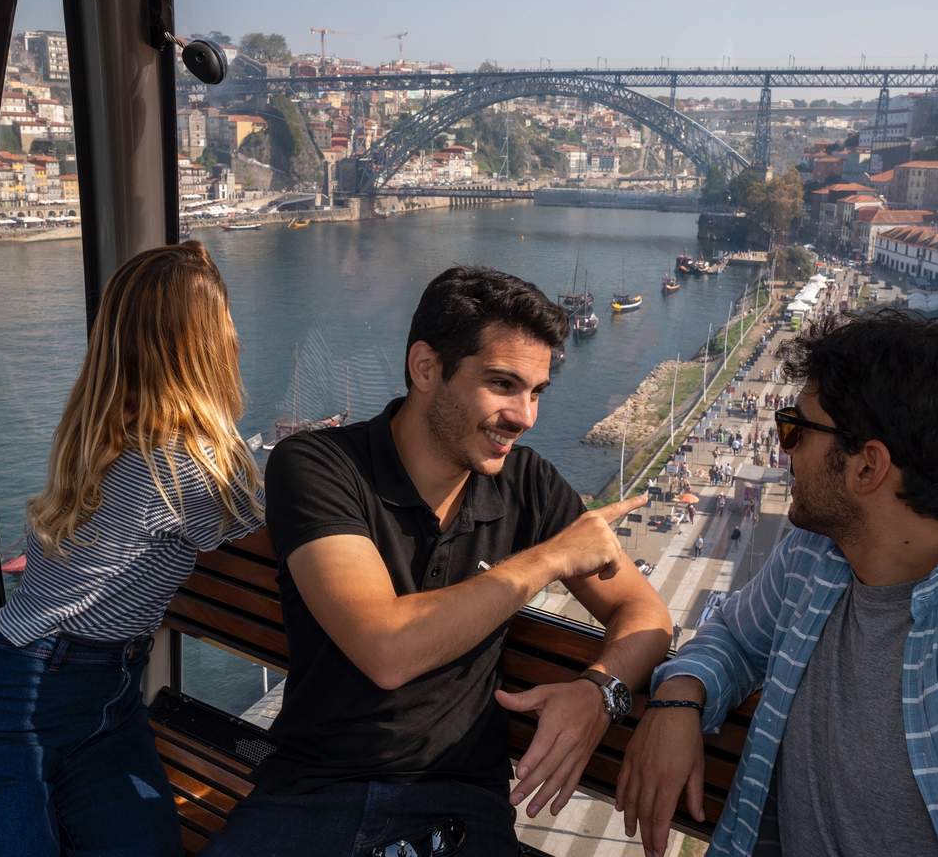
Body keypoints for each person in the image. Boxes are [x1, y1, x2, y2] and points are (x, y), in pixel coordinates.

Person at [617, 310, 938, 857]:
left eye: (796, 427)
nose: (784, 448)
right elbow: (737, 637)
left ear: (868, 468)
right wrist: (678, 699)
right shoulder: (816, 557)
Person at [203, 267, 672, 857]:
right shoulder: (318, 466)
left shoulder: (528, 485)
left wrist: (599, 692)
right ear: (426, 368)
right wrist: (550, 558)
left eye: (536, 392)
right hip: (312, 793)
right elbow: (386, 650)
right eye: (503, 384)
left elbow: (645, 612)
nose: (526, 416)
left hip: (456, 803)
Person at [0, 242, 263, 857]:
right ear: (213, 348)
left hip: (39, 689)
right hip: (37, 700)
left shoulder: (96, 434)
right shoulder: (199, 468)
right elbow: (279, 532)